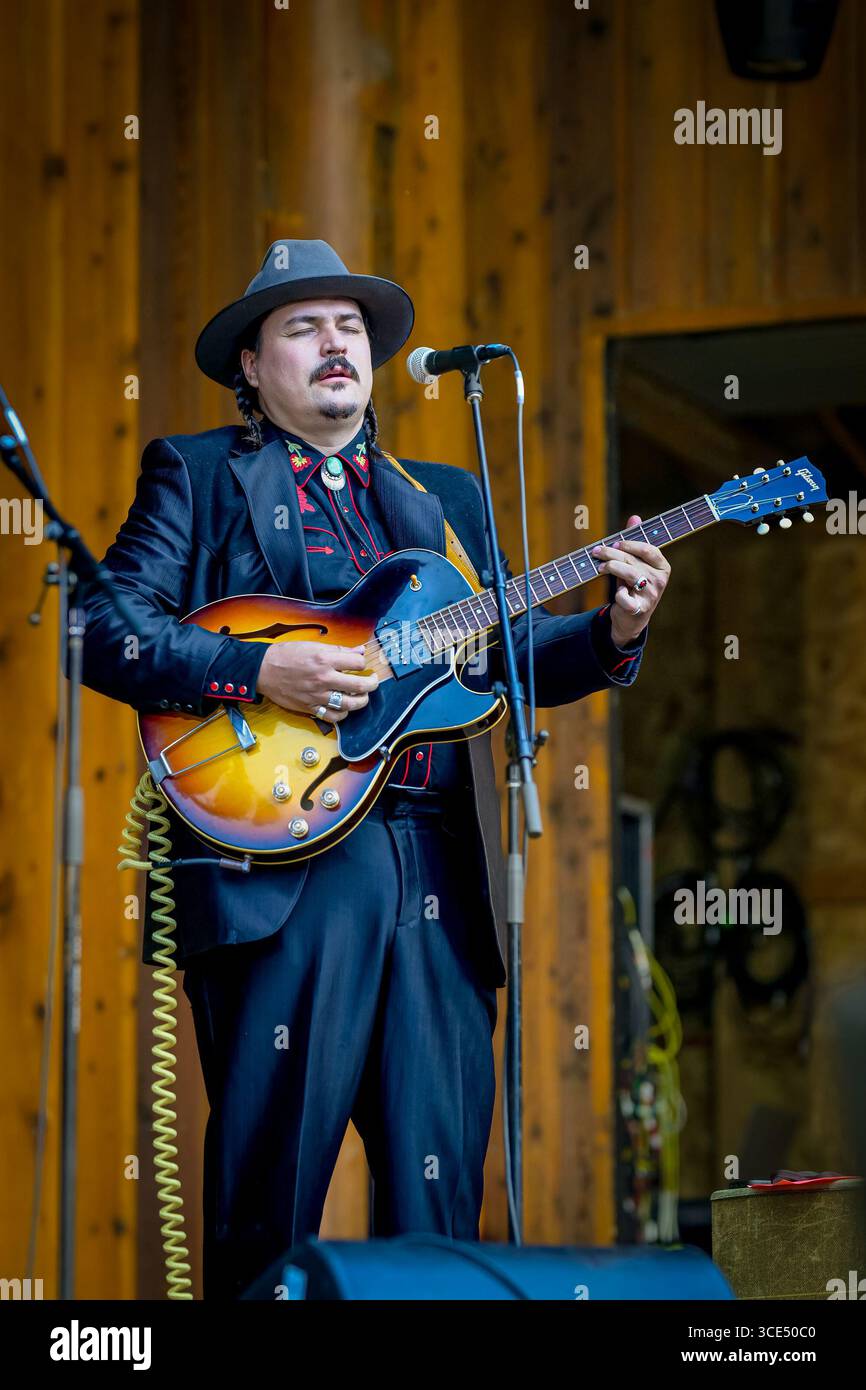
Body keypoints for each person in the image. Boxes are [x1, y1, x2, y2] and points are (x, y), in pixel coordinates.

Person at [80, 239, 670, 1298]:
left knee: (437, 1211)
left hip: (437, 867)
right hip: (284, 868)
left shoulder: (436, 495)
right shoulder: (201, 472)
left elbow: (497, 658)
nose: (334, 340)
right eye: (302, 326)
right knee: (271, 1199)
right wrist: (263, 668)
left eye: (348, 323)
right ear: (252, 369)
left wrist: (611, 631)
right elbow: (105, 630)